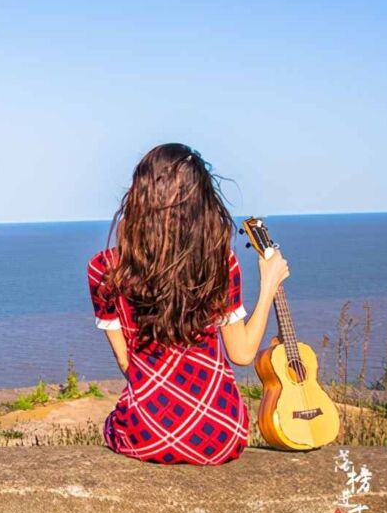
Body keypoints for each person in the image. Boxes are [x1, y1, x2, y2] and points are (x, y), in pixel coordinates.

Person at [87, 143, 290, 465]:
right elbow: (243, 354)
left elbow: (128, 365)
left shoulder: (105, 269)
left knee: (114, 425)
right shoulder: (220, 263)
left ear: (140, 197)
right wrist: (269, 285)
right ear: (202, 202)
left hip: (147, 434)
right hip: (223, 435)